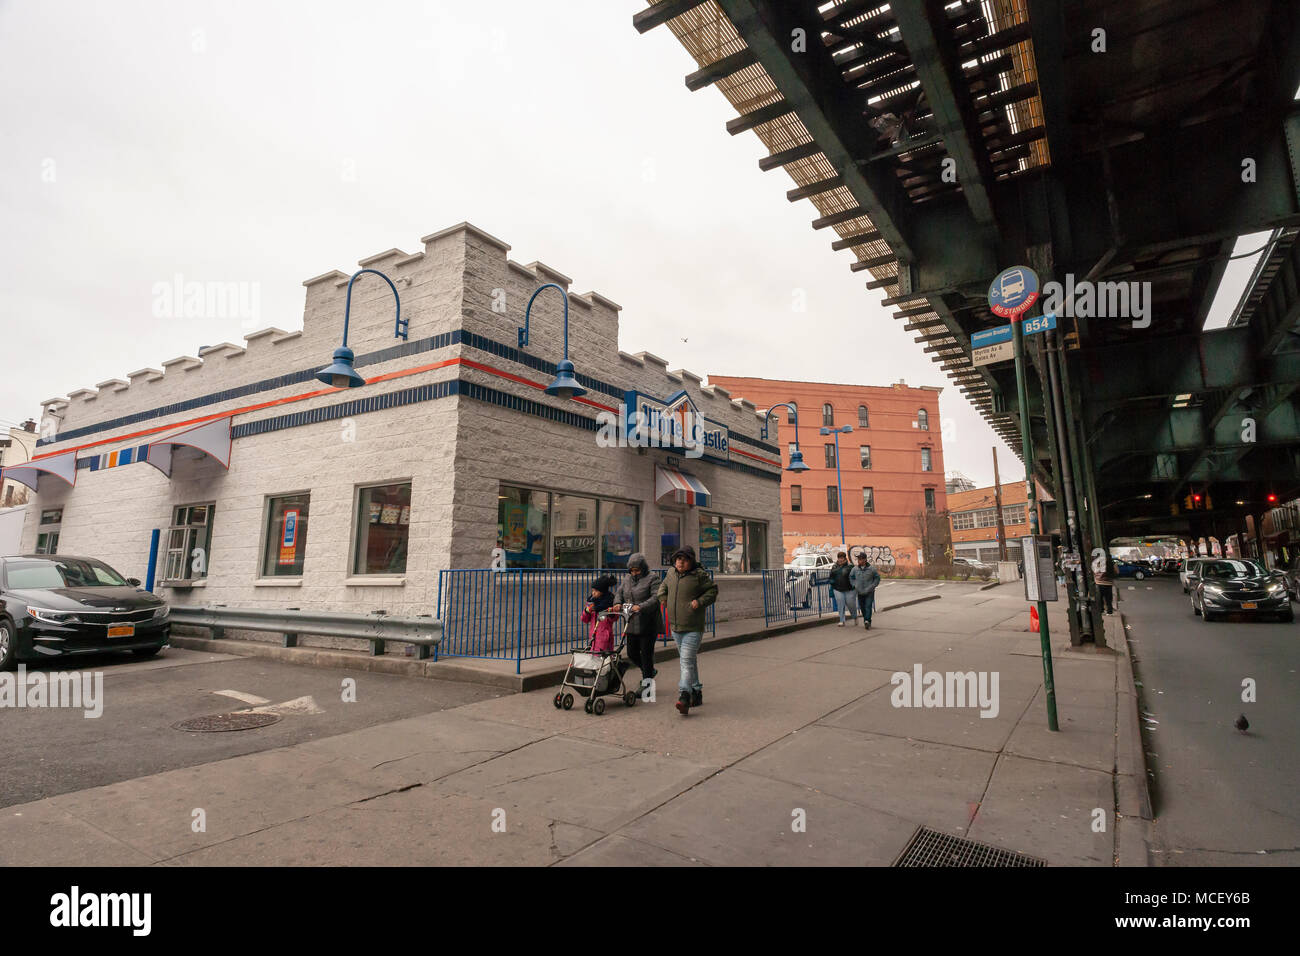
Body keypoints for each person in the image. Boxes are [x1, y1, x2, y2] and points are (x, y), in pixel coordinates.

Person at [656, 546, 718, 716]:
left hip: (693, 627)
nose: (680, 562)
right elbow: (662, 587)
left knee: (685, 662)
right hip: (675, 627)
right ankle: (696, 692)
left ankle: (684, 695)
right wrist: (663, 598)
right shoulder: (671, 573)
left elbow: (713, 590)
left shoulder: (699, 575)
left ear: (691, 561)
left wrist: (699, 602)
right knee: (689, 661)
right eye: (678, 559)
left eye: (684, 560)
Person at [612, 553, 661, 682]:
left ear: (643, 568)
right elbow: (619, 593)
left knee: (646, 655)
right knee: (631, 653)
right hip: (631, 622)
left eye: (637, 570)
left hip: (647, 622)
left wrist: (640, 607)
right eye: (632, 570)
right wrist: (617, 603)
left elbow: (656, 598)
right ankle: (649, 671)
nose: (634, 573)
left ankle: (647, 684)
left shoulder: (653, 578)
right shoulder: (627, 579)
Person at [580, 574, 619, 653]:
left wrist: (610, 613)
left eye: (596, 591)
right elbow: (584, 619)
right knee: (594, 654)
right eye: (593, 590)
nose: (593, 593)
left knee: (603, 656)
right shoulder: (592, 602)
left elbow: (615, 618)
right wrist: (587, 611)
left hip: (604, 636)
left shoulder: (609, 602)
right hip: (593, 635)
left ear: (602, 591)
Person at [851, 553, 881, 629]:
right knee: (862, 607)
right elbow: (851, 577)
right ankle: (866, 619)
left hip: (869, 591)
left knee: (868, 606)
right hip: (860, 591)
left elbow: (877, 578)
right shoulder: (855, 569)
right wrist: (854, 585)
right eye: (858, 559)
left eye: (860, 559)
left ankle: (867, 621)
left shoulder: (872, 569)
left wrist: (873, 586)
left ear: (865, 560)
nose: (858, 561)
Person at [829, 551, 857, 626]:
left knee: (851, 604)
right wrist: (832, 582)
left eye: (842, 558)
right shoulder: (834, 566)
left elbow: (855, 576)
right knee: (840, 604)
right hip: (837, 588)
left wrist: (854, 584)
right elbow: (831, 576)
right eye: (839, 558)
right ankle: (842, 620)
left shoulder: (850, 566)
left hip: (849, 589)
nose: (840, 559)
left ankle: (854, 617)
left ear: (845, 558)